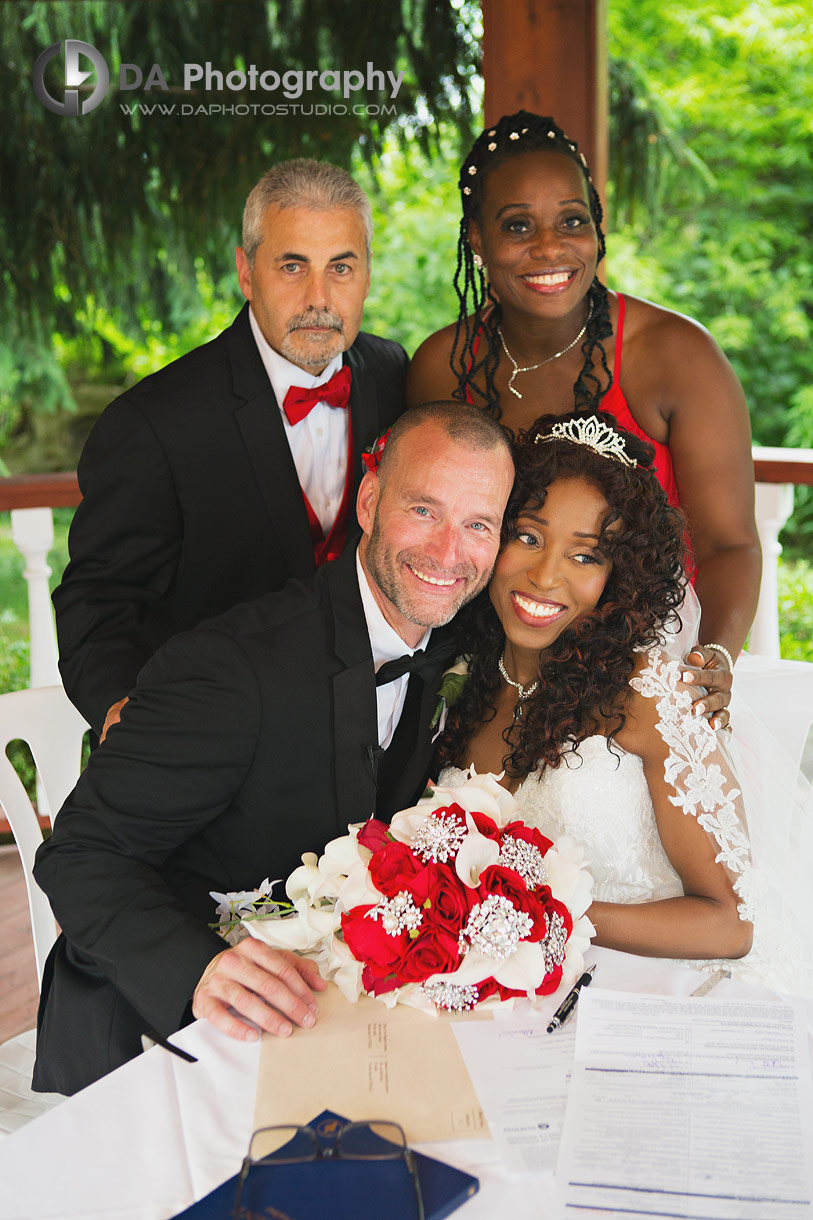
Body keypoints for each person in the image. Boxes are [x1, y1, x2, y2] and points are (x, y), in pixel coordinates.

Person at [32, 402, 515, 1096]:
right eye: (423, 511)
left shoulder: (456, 647)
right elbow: (80, 856)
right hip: (155, 1031)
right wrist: (197, 970)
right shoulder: (231, 668)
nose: (448, 553)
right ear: (371, 501)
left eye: (478, 525)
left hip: (325, 1018)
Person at [408, 111, 762, 729]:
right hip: (493, 673)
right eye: (518, 225)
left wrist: (716, 659)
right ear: (475, 239)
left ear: (596, 227)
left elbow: (730, 543)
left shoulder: (677, 357)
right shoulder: (443, 366)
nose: (549, 247)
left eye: (572, 220)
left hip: (643, 677)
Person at [435, 412, 812, 987]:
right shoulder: (461, 678)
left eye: (585, 556)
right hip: (499, 998)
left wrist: (545, 916)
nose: (544, 576)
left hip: (652, 999)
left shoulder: (652, 698)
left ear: (621, 577)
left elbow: (733, 923)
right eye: (528, 537)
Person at [53, 158, 409, 742]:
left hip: (370, 742)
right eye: (292, 266)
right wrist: (126, 713)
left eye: (340, 267)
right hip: (216, 742)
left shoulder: (394, 376)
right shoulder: (152, 423)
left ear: (367, 272)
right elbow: (99, 601)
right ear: (247, 272)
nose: (319, 297)